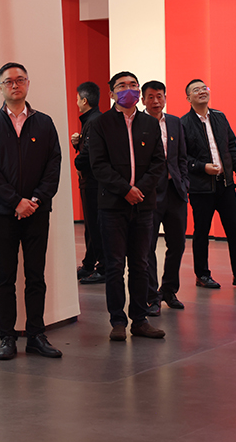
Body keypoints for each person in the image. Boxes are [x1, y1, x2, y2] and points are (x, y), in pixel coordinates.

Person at [0, 62, 63, 360]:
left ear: (28, 83)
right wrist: (16, 202)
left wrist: (34, 200)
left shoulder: (44, 123)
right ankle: (7, 337)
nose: (15, 85)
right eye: (8, 81)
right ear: (0, 87)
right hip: (3, 212)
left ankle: (37, 335)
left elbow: (54, 166)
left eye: (20, 80)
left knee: (36, 275)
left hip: (37, 211)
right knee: (5, 276)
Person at [89, 71, 166, 341]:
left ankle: (140, 320)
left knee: (140, 264)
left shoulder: (150, 123)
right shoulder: (101, 124)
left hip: (143, 205)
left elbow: (159, 162)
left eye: (133, 85)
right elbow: (98, 165)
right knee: (114, 266)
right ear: (112, 93)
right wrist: (125, 190)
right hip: (112, 205)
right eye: (122, 86)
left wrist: (139, 190)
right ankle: (117, 321)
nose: (128, 89)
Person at [181, 79, 236, 289]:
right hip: (200, 188)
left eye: (204, 88)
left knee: (235, 230)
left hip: (225, 185)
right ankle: (202, 275)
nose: (201, 92)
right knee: (202, 233)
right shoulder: (183, 123)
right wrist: (202, 167)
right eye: (196, 90)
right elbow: (182, 158)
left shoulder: (220, 117)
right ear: (188, 98)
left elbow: (231, 146)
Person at [141, 81, 188, 315]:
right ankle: (152, 297)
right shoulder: (138, 124)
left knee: (177, 244)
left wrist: (184, 183)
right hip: (149, 194)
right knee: (147, 246)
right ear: (143, 100)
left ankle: (169, 290)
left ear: (165, 98)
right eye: (150, 97)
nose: (156, 101)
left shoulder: (175, 122)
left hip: (175, 192)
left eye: (159, 96)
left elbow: (181, 157)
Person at [72, 81, 106, 284]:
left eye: (77, 99)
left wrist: (77, 161)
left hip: (94, 182)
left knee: (96, 225)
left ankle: (103, 267)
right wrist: (77, 145)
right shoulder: (92, 120)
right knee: (91, 225)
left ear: (84, 101)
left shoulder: (94, 121)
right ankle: (89, 264)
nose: (76, 102)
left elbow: (90, 153)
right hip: (91, 181)